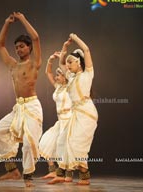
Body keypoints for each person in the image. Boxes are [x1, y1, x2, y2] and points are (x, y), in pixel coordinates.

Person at [0, 12, 43, 187]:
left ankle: (28, 175)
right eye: (16, 47)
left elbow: (35, 37)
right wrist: (6, 23)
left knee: (28, 144)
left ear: (29, 48)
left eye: (21, 46)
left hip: (32, 107)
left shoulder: (34, 63)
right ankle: (12, 169)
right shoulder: (13, 65)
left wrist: (22, 19)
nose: (18, 49)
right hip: (18, 108)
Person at [53, 33, 98, 185]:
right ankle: (65, 173)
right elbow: (60, 64)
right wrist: (65, 48)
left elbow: (86, 50)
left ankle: (84, 175)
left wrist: (76, 38)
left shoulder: (88, 73)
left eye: (71, 62)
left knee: (77, 143)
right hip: (76, 113)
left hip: (87, 113)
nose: (68, 64)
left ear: (79, 63)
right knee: (63, 141)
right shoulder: (70, 77)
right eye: (68, 62)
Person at [39, 50, 72, 184]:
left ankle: (68, 174)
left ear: (65, 76)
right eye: (57, 75)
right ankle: (52, 170)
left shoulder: (71, 87)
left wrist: (62, 59)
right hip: (60, 121)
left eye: (59, 75)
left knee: (66, 147)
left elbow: (70, 74)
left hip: (69, 119)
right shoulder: (58, 87)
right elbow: (48, 73)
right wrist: (50, 60)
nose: (57, 77)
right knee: (47, 142)